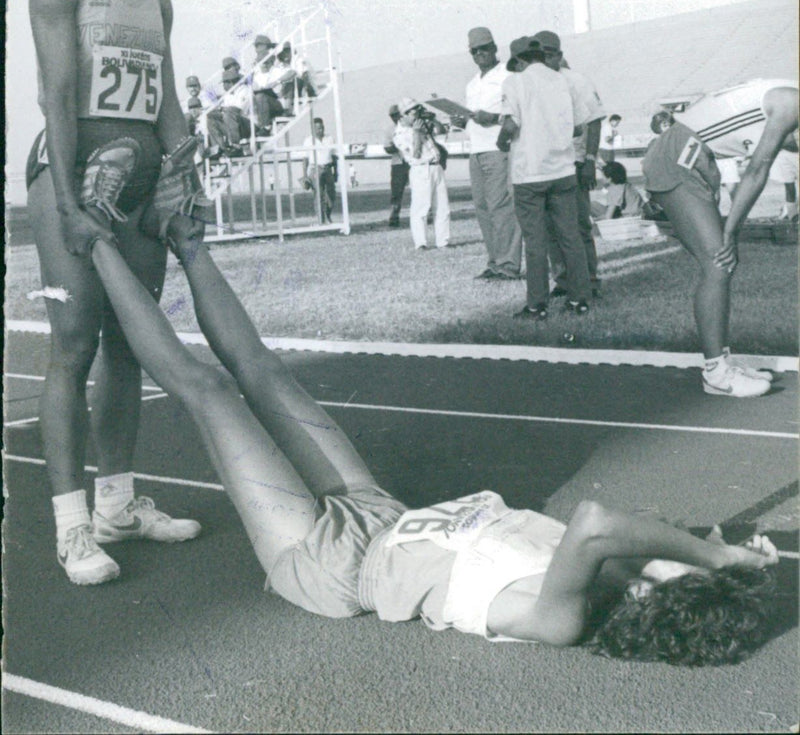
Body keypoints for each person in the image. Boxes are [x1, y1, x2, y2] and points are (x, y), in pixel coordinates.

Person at [77, 144, 779, 665]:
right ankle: (184, 233)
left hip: (333, 568)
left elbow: (597, 524)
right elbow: (638, 542)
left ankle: (93, 235)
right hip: (382, 513)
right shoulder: (629, 571)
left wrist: (716, 559)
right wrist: (713, 555)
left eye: (681, 575)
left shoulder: (564, 612)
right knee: (261, 370)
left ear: (657, 598)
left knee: (210, 392)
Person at [25, 0, 207, 585]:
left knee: (131, 345)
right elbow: (59, 97)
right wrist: (69, 202)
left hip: (141, 181)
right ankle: (71, 527)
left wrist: (184, 183)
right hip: (70, 174)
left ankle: (118, 507)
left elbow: (164, 99)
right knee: (73, 342)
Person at [642, 103, 782, 397]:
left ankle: (723, 361)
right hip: (676, 157)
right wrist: (730, 231)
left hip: (689, 155)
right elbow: (756, 171)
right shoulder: (789, 103)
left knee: (722, 264)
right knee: (719, 263)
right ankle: (716, 373)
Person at [498, 36, 593, 319]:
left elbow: (511, 123)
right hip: (563, 170)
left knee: (536, 242)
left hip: (530, 171)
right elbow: (578, 129)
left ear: (520, 60)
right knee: (571, 238)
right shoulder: (564, 80)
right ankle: (580, 299)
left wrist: (502, 140)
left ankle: (537, 305)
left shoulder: (514, 82)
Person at [455, 27, 522, 281]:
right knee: (483, 208)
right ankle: (494, 262)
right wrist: (462, 120)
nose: (480, 54)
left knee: (501, 207)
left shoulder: (508, 75)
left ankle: (508, 264)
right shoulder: (472, 84)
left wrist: (492, 117)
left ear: (495, 47)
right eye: (475, 50)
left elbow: (517, 112)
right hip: (476, 150)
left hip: (498, 148)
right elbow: (472, 117)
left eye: (484, 48)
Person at [547, 46, 605, 299]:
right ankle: (562, 280)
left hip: (575, 162)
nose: (545, 60)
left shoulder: (576, 81)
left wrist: (590, 159)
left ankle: (589, 279)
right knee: (552, 227)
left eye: (550, 54)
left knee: (579, 224)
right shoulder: (535, 82)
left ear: (559, 55)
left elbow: (594, 120)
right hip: (547, 164)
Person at [392, 98, 451, 250]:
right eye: (413, 112)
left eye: (418, 110)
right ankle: (421, 243)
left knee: (442, 207)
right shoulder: (399, 134)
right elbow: (416, 154)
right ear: (403, 115)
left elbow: (442, 133)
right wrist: (417, 133)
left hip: (435, 166)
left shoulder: (421, 124)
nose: (417, 114)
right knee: (421, 208)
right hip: (420, 169)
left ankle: (443, 242)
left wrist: (433, 119)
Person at [302, 117, 337, 223]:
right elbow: (305, 159)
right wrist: (305, 176)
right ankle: (321, 220)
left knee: (331, 194)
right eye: (317, 128)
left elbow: (335, 157)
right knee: (319, 194)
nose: (320, 130)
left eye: (322, 127)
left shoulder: (330, 138)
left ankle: (328, 214)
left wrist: (336, 172)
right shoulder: (308, 141)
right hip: (315, 169)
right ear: (313, 129)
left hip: (328, 168)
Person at [251, 34, 285, 133]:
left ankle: (265, 127)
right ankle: (259, 127)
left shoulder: (276, 69)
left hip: (276, 103)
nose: (257, 48)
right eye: (256, 46)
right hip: (264, 102)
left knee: (260, 96)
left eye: (259, 45)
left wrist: (273, 84)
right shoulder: (258, 72)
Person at [383, 103, 409, 227]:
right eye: (392, 116)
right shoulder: (389, 130)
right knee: (396, 192)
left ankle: (428, 214)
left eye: (397, 115)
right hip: (398, 163)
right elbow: (387, 148)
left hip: (412, 162)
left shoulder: (408, 126)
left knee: (420, 187)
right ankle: (394, 215)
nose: (395, 118)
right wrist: (397, 147)